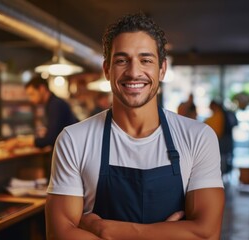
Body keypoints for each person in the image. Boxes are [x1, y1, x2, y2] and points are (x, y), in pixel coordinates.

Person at [46, 12, 224, 239]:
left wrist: (107, 230)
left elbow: (206, 235)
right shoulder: (73, 140)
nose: (133, 72)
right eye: (121, 60)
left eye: (146, 60)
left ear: (162, 69)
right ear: (107, 70)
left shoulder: (198, 137)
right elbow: (60, 235)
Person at [3, 76, 78, 150]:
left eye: (32, 94)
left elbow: (51, 139)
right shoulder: (52, 103)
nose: (31, 99)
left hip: (72, 150)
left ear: (42, 89)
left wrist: (19, 142)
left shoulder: (55, 104)